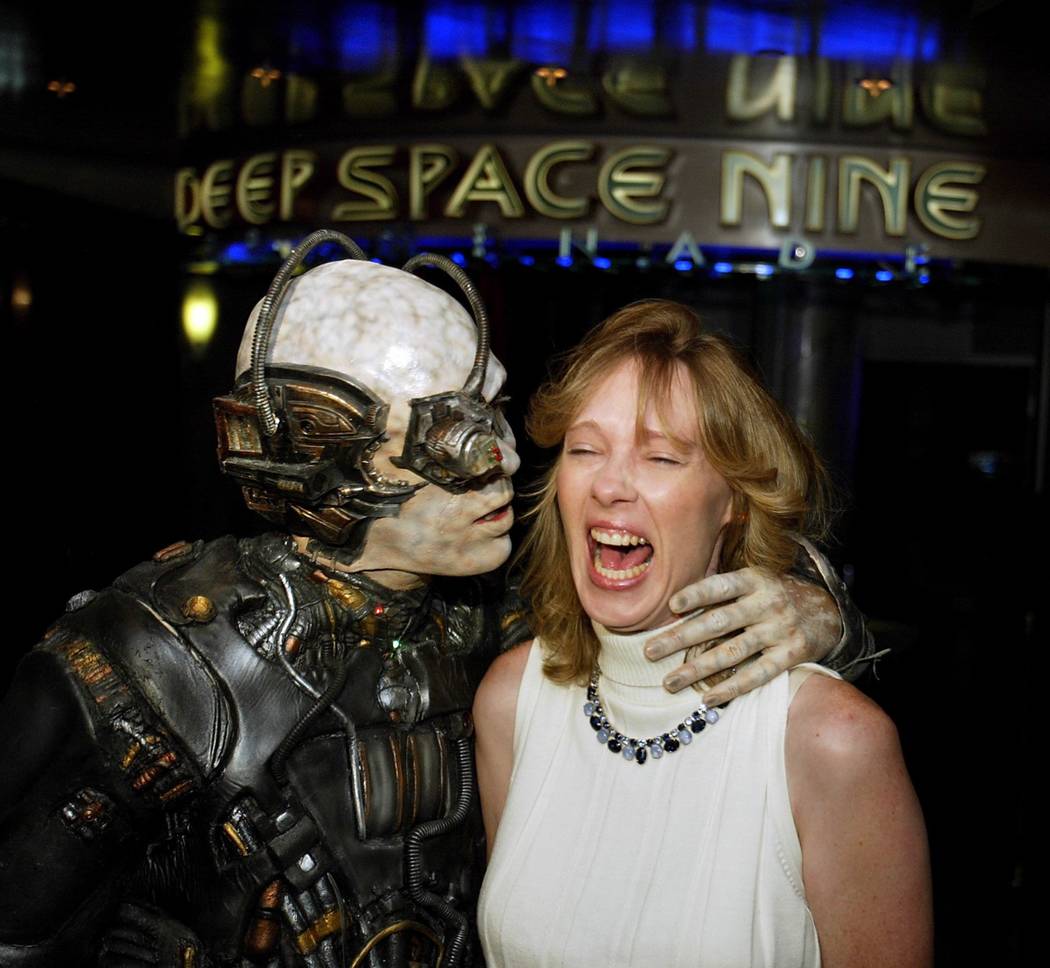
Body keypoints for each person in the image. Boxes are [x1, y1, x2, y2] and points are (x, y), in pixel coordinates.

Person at [0, 237, 871, 968]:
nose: (501, 461)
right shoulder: (147, 658)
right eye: (451, 436)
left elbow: (672, 616)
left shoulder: (499, 624)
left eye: (494, 414)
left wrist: (814, 604)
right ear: (321, 456)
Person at [475, 300, 932, 968]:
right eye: (585, 449)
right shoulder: (511, 700)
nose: (609, 485)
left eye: (661, 457)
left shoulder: (833, 742)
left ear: (733, 502)